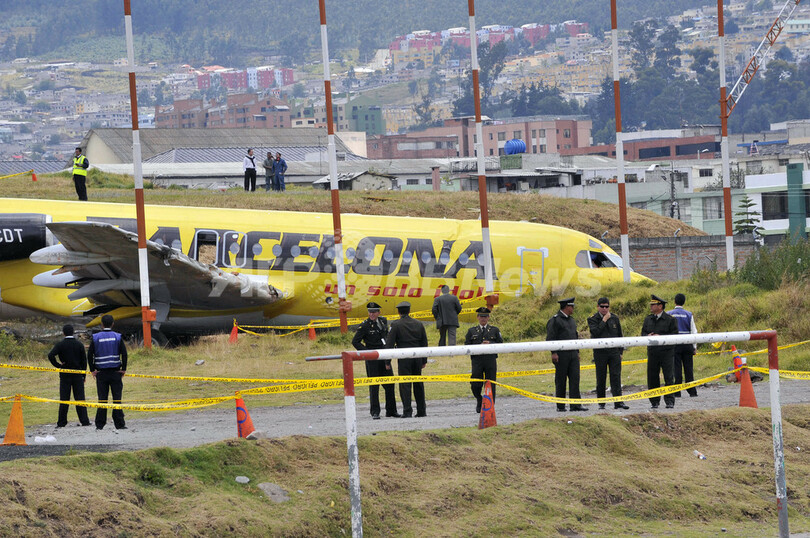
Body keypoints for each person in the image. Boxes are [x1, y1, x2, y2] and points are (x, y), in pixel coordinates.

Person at [352, 302, 400, 419]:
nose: (371, 314)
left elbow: (386, 336)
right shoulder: (365, 325)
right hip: (372, 359)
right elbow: (355, 341)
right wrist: (367, 352)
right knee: (374, 386)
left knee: (390, 383)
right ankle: (375, 412)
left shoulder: (383, 321)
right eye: (370, 312)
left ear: (379, 312)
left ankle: (391, 410)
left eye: (374, 312)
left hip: (384, 357)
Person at [386, 301, 428, 418]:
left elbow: (390, 343)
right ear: (409, 311)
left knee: (405, 384)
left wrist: (387, 361)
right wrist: (424, 360)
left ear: (399, 312)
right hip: (417, 356)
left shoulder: (396, 324)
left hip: (404, 357)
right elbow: (424, 342)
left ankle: (407, 411)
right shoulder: (418, 323)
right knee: (418, 383)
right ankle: (421, 410)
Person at [546, 297, 588, 412]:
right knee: (561, 380)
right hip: (561, 355)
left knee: (575, 379)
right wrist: (554, 352)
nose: (573, 308)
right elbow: (551, 338)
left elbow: (575, 336)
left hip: (573, 354)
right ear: (566, 307)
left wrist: (577, 352)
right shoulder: (555, 320)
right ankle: (561, 405)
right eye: (571, 306)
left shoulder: (571, 320)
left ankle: (576, 404)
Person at [587, 297, 629, 410]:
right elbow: (596, 332)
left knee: (616, 377)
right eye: (602, 307)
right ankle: (601, 402)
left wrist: (620, 352)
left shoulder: (614, 318)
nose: (604, 309)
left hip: (614, 352)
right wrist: (604, 320)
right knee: (601, 377)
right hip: (600, 353)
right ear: (598, 307)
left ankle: (618, 402)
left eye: (606, 307)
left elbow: (619, 336)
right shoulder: (593, 319)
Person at [88, 314, 128, 430]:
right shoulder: (117, 337)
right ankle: (119, 424)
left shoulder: (96, 337)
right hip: (115, 372)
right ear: (113, 324)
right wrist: (123, 368)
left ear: (101, 324)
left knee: (102, 399)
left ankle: (100, 424)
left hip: (101, 373)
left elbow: (89, 355)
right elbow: (124, 354)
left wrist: (92, 370)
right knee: (117, 399)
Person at [47, 324, 91, 427]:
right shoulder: (79, 344)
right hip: (77, 374)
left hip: (65, 374)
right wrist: (83, 375)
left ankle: (62, 422)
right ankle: (84, 421)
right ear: (73, 332)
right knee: (80, 398)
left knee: (64, 399)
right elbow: (84, 361)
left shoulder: (60, 344)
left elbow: (50, 355)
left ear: (63, 333)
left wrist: (58, 365)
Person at [641, 294, 679, 409]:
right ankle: (654, 401)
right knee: (652, 377)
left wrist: (661, 337)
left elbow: (675, 335)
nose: (651, 306)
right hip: (653, 352)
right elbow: (643, 333)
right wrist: (647, 336)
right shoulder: (648, 319)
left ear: (660, 306)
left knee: (669, 377)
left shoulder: (670, 320)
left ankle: (669, 401)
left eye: (653, 305)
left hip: (666, 352)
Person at [464, 306, 503, 413]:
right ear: (477, 317)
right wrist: (478, 345)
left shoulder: (494, 330)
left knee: (491, 383)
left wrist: (490, 343)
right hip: (477, 360)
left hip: (490, 360)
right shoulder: (472, 331)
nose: (483, 319)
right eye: (481, 316)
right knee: (475, 383)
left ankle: (490, 406)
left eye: (485, 317)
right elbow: (466, 345)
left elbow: (501, 344)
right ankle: (479, 399)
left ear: (488, 318)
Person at [668, 293, 699, 398]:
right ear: (684, 302)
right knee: (689, 369)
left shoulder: (669, 314)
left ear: (674, 301)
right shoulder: (689, 314)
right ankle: (692, 391)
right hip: (687, 344)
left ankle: (677, 392)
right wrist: (694, 347)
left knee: (676, 369)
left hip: (675, 345)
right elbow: (694, 331)